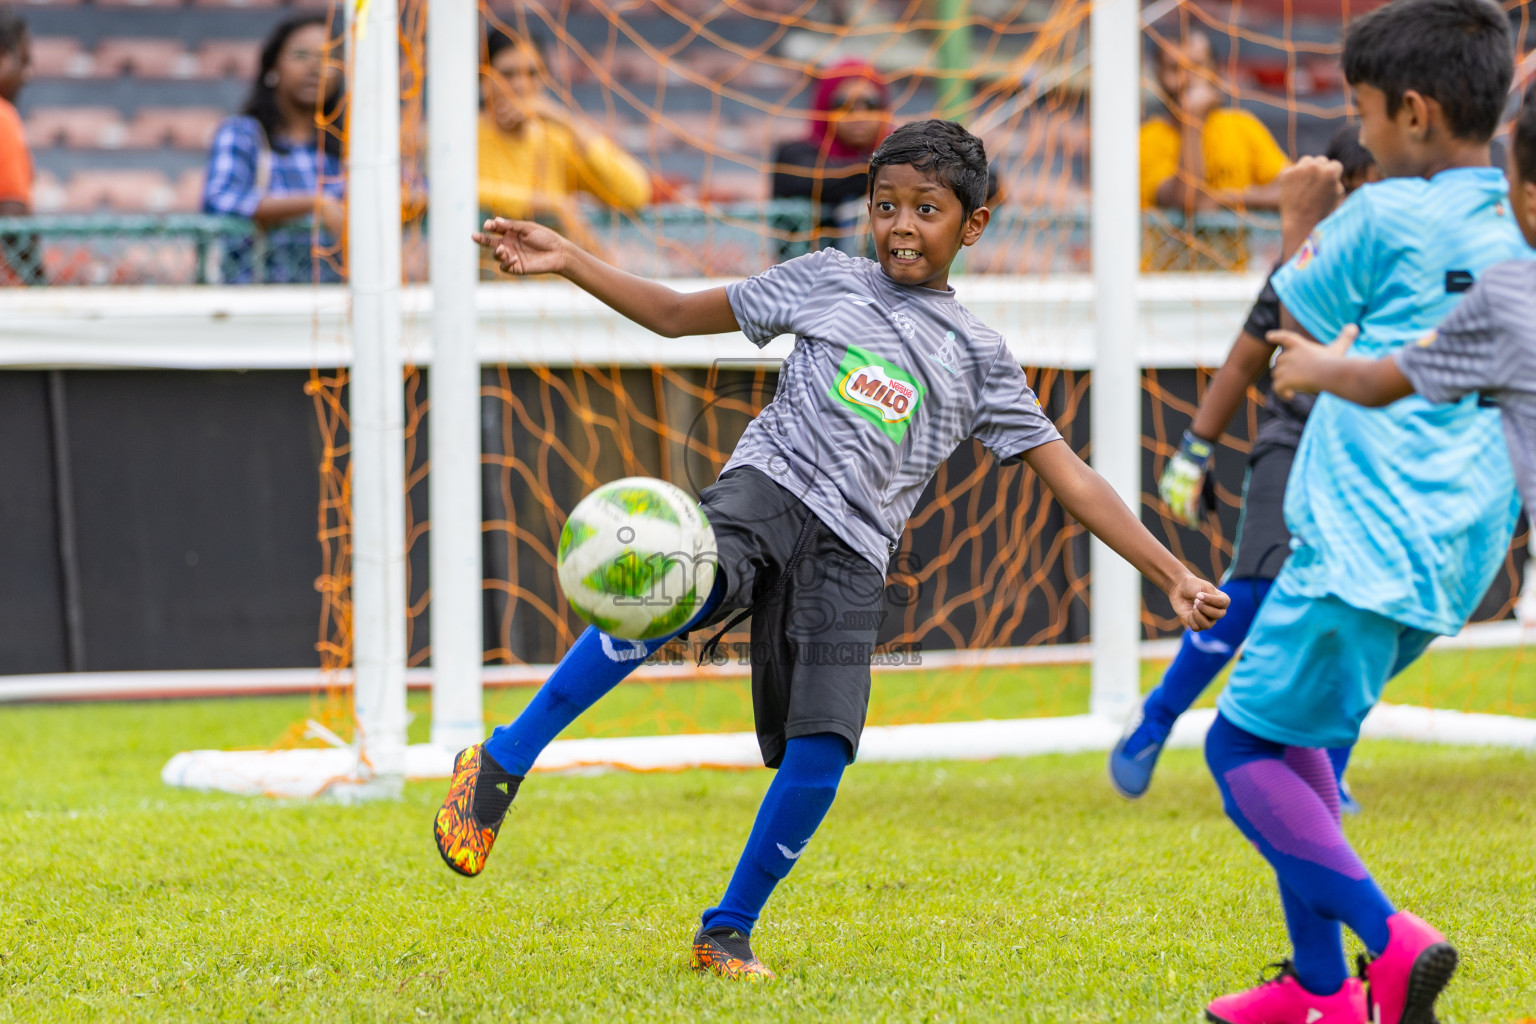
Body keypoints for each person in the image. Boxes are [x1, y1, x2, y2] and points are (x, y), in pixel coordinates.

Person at [438, 119, 1230, 979]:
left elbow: (1071, 478)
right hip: (766, 491)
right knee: (674, 585)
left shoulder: (981, 359)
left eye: (926, 209)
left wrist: (1174, 572)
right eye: (885, 204)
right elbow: (671, 315)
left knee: (825, 746)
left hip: (855, 550)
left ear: (974, 225)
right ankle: (502, 761)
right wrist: (571, 258)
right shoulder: (824, 279)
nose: (899, 225)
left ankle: (727, 930)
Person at [1195, 2, 1525, 1022]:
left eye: (1362, 111)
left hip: (1359, 535)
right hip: (1459, 549)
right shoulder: (1515, 216)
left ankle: (1389, 941)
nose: (1357, 131)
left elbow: (1295, 347)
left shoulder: (1379, 214)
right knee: (1296, 742)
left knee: (1238, 748)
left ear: (1415, 113)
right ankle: (1321, 991)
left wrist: (1301, 222)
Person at [1108, 125, 1380, 805]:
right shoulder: (1304, 262)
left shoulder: (1408, 263)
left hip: (1369, 451)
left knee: (1353, 608)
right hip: (1293, 445)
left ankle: (1330, 771)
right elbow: (1248, 358)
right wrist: (1193, 452)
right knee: (1253, 590)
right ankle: (1157, 717)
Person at [1269, 84, 1536, 535]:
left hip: (1384, 526)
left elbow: (1374, 379)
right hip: (1476, 520)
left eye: (1365, 113)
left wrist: (1298, 226)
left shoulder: (1509, 289)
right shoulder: (1506, 267)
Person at [477, 28, 650, 254]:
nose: (520, 85)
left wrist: (565, 120)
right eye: (508, 74)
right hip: (480, 284)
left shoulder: (555, 140)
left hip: (552, 285)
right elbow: (444, 191)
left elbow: (634, 194)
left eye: (531, 73)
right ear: (484, 81)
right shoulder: (460, 140)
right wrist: (548, 204)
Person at [202, 14, 345, 284]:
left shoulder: (349, 145)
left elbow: (417, 189)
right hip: (259, 303)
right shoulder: (243, 134)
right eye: (301, 55)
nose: (316, 67)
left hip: (333, 301)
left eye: (329, 57)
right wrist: (315, 204)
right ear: (273, 67)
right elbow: (221, 200)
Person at [1141, 29, 1289, 213]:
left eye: (1196, 66)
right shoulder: (1146, 139)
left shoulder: (1242, 126)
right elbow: (1188, 200)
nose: (1187, 78)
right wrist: (1193, 118)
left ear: (1215, 70)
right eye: (1174, 68)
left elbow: (1293, 190)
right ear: (1158, 75)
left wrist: (1225, 198)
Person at [770, 60, 891, 250]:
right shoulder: (794, 156)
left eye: (871, 104)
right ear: (824, 106)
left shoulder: (895, 157)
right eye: (844, 105)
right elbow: (818, 181)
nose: (859, 115)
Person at [0, 4, 39, 285]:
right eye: (22, 61)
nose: (27, 75)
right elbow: (13, 219)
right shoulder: (2, 119)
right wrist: (40, 288)